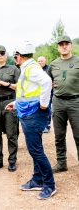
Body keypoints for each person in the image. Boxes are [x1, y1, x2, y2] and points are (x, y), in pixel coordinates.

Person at [6, 41, 56, 200]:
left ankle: (49, 185)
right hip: (29, 111)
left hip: (34, 114)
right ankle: (37, 179)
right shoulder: (27, 68)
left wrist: (43, 103)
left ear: (19, 56)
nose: (15, 58)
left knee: (35, 150)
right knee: (35, 148)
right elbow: (26, 92)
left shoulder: (31, 68)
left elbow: (47, 82)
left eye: (15, 55)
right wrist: (15, 103)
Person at [48, 35, 79, 173]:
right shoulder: (53, 64)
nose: (64, 46)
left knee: (78, 135)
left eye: (66, 44)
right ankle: (61, 163)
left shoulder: (78, 61)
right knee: (59, 135)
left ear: (71, 46)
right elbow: (47, 82)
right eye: (61, 44)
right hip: (58, 101)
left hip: (75, 102)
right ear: (58, 47)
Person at [37, 56, 52, 133]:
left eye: (41, 61)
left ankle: (47, 126)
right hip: (38, 93)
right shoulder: (36, 70)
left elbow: (52, 80)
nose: (40, 62)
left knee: (47, 109)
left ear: (45, 61)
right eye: (38, 61)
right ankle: (41, 125)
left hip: (48, 93)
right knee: (39, 110)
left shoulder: (49, 69)